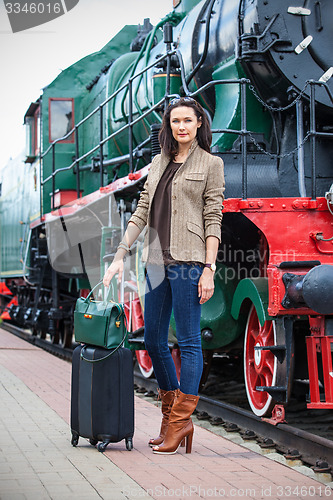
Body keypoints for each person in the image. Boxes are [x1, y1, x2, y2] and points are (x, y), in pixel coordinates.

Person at [103, 97, 225, 455]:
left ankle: (179, 422)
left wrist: (209, 268)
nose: (182, 126)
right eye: (176, 121)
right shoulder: (158, 162)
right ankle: (172, 414)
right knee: (154, 340)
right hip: (154, 261)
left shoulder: (211, 163)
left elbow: (213, 216)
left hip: (189, 262)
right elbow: (141, 212)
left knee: (188, 341)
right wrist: (119, 256)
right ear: (168, 126)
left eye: (188, 120)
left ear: (200, 123)